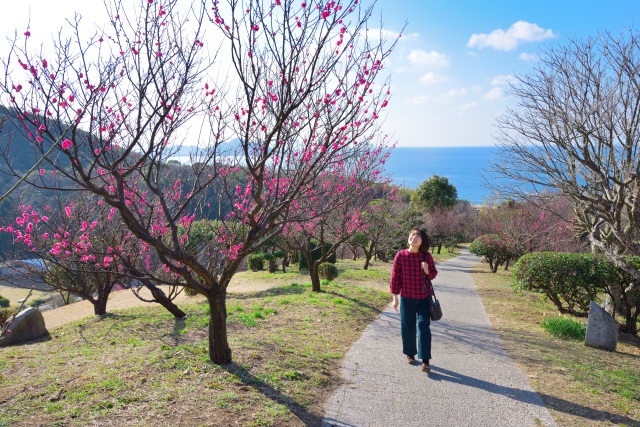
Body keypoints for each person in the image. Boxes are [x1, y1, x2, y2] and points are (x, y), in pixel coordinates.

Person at [390, 227, 438, 373]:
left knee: (423, 326)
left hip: (424, 299)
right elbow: (395, 278)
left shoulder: (426, 257)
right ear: (409, 238)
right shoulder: (400, 256)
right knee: (408, 327)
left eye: (418, 235)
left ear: (422, 241)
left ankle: (425, 360)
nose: (414, 237)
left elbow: (433, 275)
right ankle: (410, 354)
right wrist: (395, 298)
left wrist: (426, 270)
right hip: (406, 298)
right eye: (412, 234)